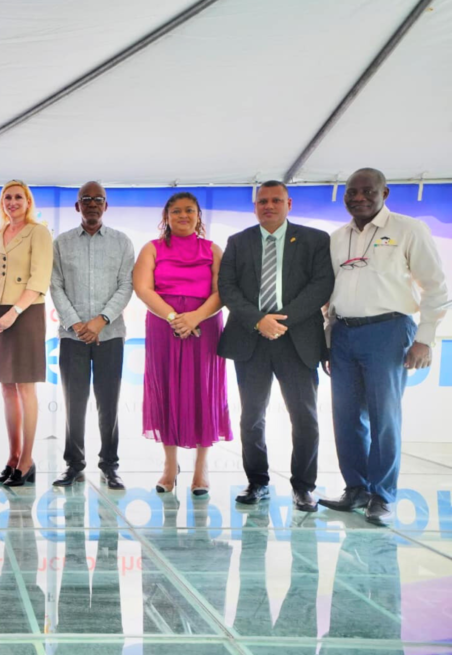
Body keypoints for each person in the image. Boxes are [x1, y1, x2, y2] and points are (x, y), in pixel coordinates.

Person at [319, 168, 448, 525]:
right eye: (351, 192)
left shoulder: (408, 229)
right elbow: (329, 295)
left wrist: (424, 338)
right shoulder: (337, 238)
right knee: (346, 417)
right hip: (343, 334)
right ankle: (356, 488)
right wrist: (328, 339)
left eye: (367, 191)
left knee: (384, 417)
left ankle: (382, 494)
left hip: (388, 331)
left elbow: (436, 287)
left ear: (385, 193)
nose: (358, 197)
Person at [217, 181, 334, 512]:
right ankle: (257, 482)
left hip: (297, 341)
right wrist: (259, 321)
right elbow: (227, 287)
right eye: (263, 201)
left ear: (289, 203)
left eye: (276, 200)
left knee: (305, 417)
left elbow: (321, 285)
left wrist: (280, 321)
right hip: (251, 340)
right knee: (252, 416)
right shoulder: (238, 241)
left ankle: (303, 486)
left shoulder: (315, 239)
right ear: (255, 206)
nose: (269, 206)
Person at [133, 192, 231, 494]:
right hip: (164, 325)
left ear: (198, 215)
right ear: (166, 216)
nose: (183, 216)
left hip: (205, 326)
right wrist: (175, 318)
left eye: (189, 210)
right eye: (176, 211)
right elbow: (143, 289)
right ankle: (169, 466)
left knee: (204, 391)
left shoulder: (213, 249)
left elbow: (222, 291)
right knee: (167, 390)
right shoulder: (152, 248)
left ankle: (201, 469)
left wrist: (195, 318)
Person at [49, 181, 134, 489]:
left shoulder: (122, 242)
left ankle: (110, 465)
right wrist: (76, 324)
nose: (93, 204)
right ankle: (74, 464)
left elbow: (127, 285)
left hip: (110, 335)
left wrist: (100, 321)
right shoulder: (61, 243)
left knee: (108, 403)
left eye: (99, 199)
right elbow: (55, 285)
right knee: (74, 403)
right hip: (72, 337)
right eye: (86, 199)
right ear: (77, 206)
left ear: (106, 205)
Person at [0, 180, 53, 488]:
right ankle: (12, 457)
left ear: (28, 202)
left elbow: (39, 278)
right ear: (2, 203)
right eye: (7, 197)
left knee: (25, 388)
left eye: (18, 197)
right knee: (6, 388)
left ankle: (27, 459)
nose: (12, 202)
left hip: (26, 312)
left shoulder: (38, 233)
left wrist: (15, 312)